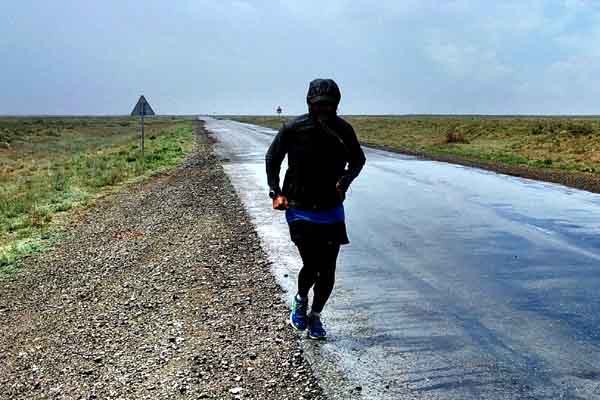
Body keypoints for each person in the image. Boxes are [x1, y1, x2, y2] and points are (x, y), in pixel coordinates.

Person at [265, 79, 366, 340]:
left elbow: (358, 159)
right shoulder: (293, 128)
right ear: (309, 103)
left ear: (336, 105)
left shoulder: (344, 130)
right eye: (318, 104)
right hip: (299, 206)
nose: (323, 109)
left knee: (328, 270)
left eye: (329, 105)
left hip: (331, 208)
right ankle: (300, 300)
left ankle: (316, 315)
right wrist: (276, 192)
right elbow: (272, 158)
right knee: (312, 262)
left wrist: (344, 181)